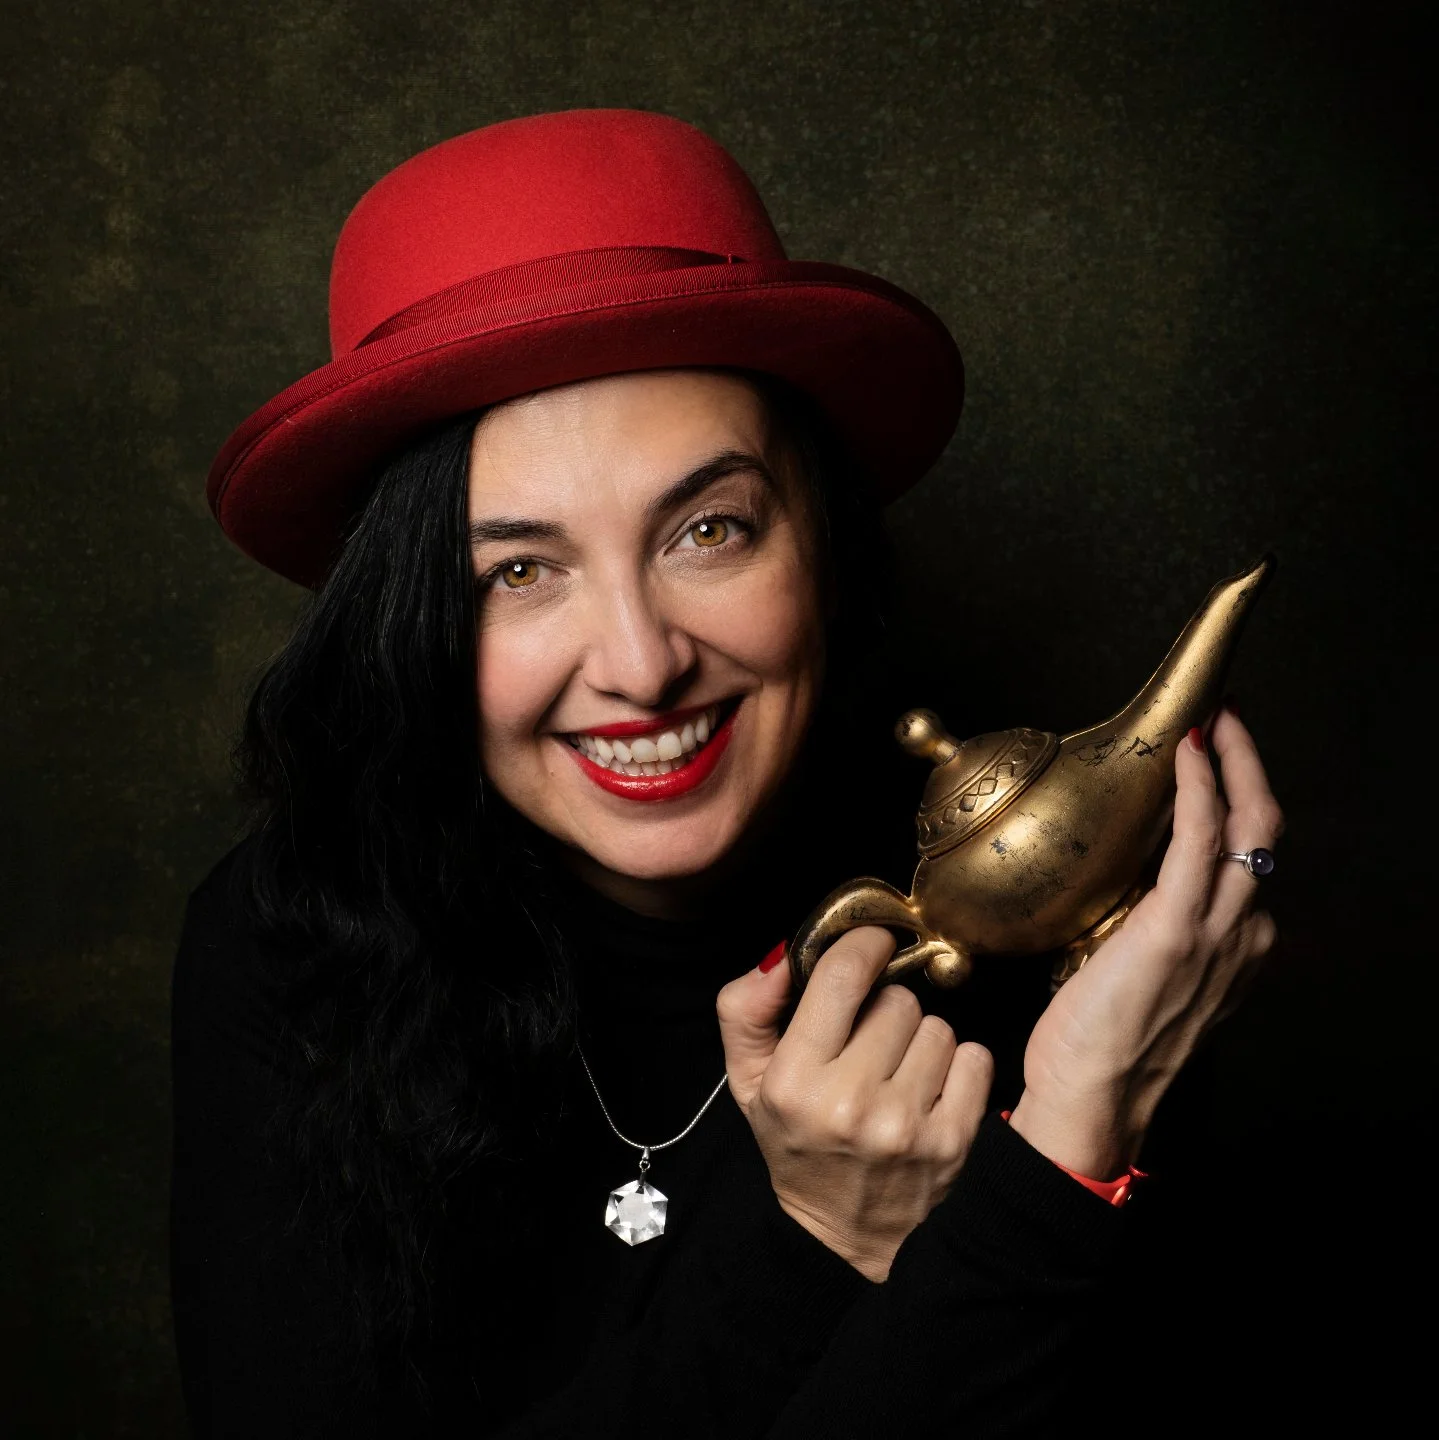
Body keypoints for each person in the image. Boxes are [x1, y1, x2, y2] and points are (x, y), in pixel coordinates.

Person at [171, 109, 1282, 1437]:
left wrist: (1072, 1143)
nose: (642, 665)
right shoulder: (283, 946)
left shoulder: (1057, 930)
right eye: (517, 571)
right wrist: (814, 1239)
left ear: (820, 542)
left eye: (708, 531)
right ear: (409, 625)